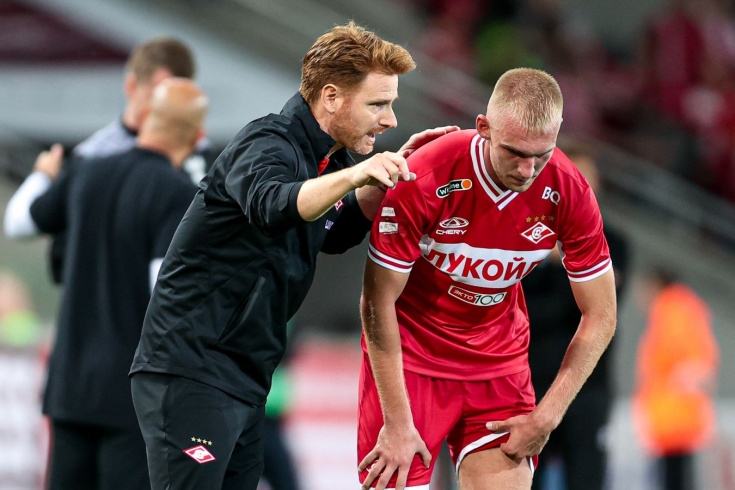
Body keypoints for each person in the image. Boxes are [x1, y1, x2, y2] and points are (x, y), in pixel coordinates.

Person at [129, 20, 457, 490]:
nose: (390, 120)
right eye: (378, 104)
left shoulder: (331, 159)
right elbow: (275, 205)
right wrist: (357, 174)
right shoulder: (266, 142)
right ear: (330, 97)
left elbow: (334, 231)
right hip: (190, 371)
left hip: (244, 377)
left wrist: (376, 183)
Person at [358, 67, 617, 490]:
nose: (527, 169)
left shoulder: (568, 189)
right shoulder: (425, 174)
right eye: (514, 151)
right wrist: (396, 420)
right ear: (483, 127)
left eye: (542, 154)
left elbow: (602, 314)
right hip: (411, 363)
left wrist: (547, 415)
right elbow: (375, 302)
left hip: (497, 368)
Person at [26, 78, 208, 490]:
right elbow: (165, 293)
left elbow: (20, 222)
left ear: (144, 119)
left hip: (69, 386)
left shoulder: (87, 169)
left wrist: (41, 176)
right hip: (131, 395)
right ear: (198, 137)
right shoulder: (178, 193)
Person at [3, 36, 207, 284]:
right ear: (132, 86)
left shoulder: (203, 159)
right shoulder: (91, 158)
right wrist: (42, 177)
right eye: (160, 91)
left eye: (179, 96)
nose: (167, 105)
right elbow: (23, 226)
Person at [523, 139, 630, 490]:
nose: (580, 184)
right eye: (572, 176)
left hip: (588, 387)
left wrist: (562, 261)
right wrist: (579, 277)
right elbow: (521, 311)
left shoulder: (614, 241)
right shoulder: (524, 238)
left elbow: (605, 309)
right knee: (528, 480)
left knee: (587, 478)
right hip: (532, 384)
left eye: (587, 177)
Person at [632, 267, 719, 490]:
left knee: (674, 477)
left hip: (674, 413)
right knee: (677, 475)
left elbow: (689, 359)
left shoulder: (672, 311)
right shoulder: (679, 309)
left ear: (657, 284)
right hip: (675, 412)